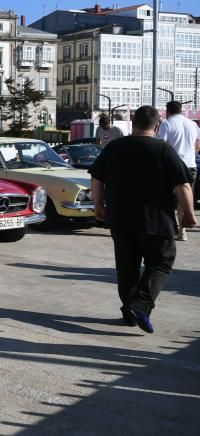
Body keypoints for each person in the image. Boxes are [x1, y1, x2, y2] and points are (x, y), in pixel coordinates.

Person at [89, 105, 195, 334]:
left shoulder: (115, 147)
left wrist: (98, 206)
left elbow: (96, 177)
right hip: (157, 221)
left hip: (120, 219)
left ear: (133, 125)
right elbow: (183, 184)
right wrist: (189, 213)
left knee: (127, 267)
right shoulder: (164, 149)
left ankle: (129, 313)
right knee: (161, 262)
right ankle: (140, 304)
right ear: (157, 126)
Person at [157, 100, 199, 240]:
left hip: (171, 165)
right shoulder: (193, 124)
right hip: (190, 164)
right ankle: (183, 231)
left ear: (167, 111)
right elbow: (197, 146)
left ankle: (168, 228)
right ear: (181, 110)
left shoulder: (167, 124)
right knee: (185, 198)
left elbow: (161, 147)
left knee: (166, 197)